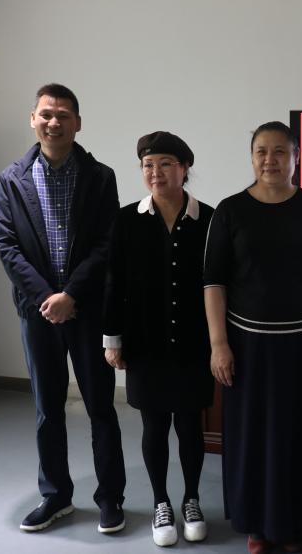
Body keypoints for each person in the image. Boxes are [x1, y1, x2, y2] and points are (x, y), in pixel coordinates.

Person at [0, 83, 126, 534]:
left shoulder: (100, 176)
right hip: (38, 314)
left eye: (63, 115)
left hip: (87, 310)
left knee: (101, 408)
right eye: (46, 114)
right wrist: (46, 298)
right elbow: (6, 245)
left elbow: (108, 243)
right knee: (47, 409)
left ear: (78, 123)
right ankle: (55, 496)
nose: (54, 122)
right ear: (33, 119)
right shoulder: (11, 179)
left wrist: (71, 295)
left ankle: (110, 498)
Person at [203, 121, 302, 554]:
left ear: (296, 157)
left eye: (280, 151)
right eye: (261, 151)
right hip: (247, 347)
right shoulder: (230, 211)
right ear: (252, 156)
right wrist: (219, 344)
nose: (270, 160)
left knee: (300, 434)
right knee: (252, 438)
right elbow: (214, 282)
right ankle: (256, 525)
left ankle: (294, 522)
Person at [102, 131, 214, 547]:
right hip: (144, 342)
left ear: (184, 168)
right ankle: (161, 502)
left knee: (189, 424)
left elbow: (220, 284)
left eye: (166, 163)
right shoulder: (126, 219)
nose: (156, 172)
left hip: (194, 342)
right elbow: (113, 282)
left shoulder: (209, 219)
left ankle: (191, 499)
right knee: (153, 424)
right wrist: (112, 339)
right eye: (148, 165)